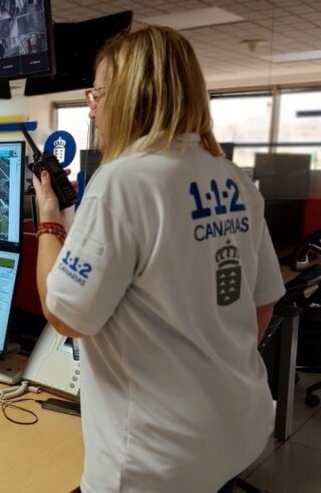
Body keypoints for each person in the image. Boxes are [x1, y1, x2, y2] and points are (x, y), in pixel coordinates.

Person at [32, 26, 284, 492]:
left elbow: (63, 314)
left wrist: (50, 220)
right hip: (235, 432)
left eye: (98, 93)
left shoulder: (121, 182)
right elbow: (261, 305)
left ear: (130, 96)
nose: (93, 106)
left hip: (152, 461)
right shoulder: (235, 181)